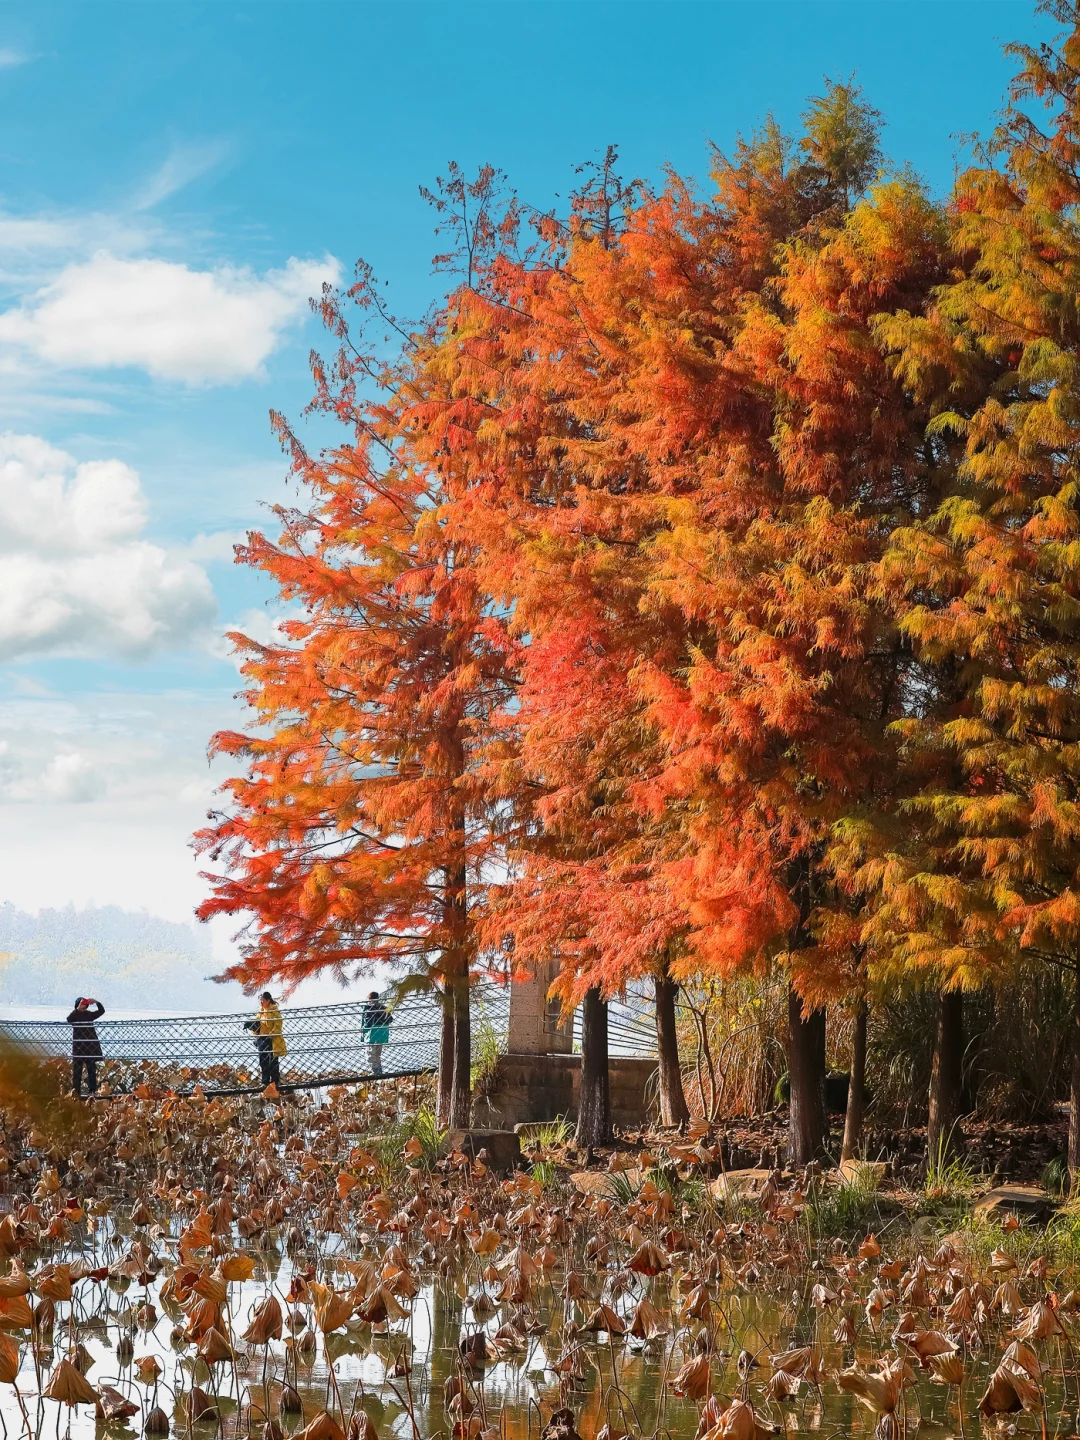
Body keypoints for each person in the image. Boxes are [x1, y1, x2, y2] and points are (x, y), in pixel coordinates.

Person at [243, 992, 287, 1089]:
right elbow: (258, 1023)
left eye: (262, 1000)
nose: (261, 1002)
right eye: (260, 1001)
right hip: (262, 1039)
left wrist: (270, 1034)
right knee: (263, 1061)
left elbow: (278, 1025)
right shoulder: (261, 1011)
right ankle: (265, 1081)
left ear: (268, 1000)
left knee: (273, 1061)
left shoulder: (274, 1010)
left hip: (272, 1039)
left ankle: (275, 1081)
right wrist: (253, 1028)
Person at [65, 997, 104, 1097]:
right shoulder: (75, 1014)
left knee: (91, 1070)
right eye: (81, 1003)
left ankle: (92, 1091)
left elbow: (101, 1011)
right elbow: (69, 1019)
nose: (83, 1005)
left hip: (89, 1047)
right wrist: (78, 1009)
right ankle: (76, 1091)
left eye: (84, 1004)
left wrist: (96, 1002)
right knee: (77, 1071)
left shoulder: (89, 1014)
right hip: (78, 1047)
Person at [361, 990, 392, 1076]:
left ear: (370, 1000)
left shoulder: (369, 1009)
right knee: (377, 1055)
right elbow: (390, 1019)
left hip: (372, 1036)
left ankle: (374, 1072)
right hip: (382, 1035)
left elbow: (367, 1023)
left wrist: (363, 1031)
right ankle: (379, 1071)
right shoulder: (384, 1008)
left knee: (370, 1055)